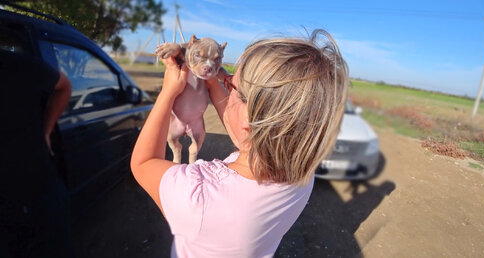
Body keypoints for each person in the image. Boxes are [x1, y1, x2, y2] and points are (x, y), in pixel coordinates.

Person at [131, 29, 349, 257]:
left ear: (248, 121)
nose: (224, 84)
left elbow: (144, 162)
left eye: (230, 86)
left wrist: (168, 92)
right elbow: (242, 125)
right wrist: (211, 77)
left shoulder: (200, 197)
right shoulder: (302, 176)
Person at [0, 50, 72, 257]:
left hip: (37, 195)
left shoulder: (20, 65)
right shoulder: (23, 64)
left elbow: (64, 86)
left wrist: (46, 131)